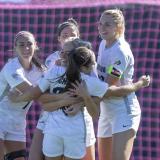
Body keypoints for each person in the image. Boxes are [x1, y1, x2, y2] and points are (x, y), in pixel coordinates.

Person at [8, 38, 150, 160]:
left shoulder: (58, 72)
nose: (62, 54)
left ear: (75, 54)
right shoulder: (82, 78)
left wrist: (18, 98)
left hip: (57, 130)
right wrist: (139, 84)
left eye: (66, 51)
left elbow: (39, 98)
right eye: (62, 50)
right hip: (70, 132)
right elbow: (111, 93)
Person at [28, 19, 97, 160]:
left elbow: (96, 92)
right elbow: (42, 96)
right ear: (59, 38)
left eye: (73, 34)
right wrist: (63, 100)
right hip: (51, 118)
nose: (69, 36)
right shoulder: (52, 60)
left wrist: (80, 103)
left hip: (80, 119)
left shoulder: (87, 58)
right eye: (65, 34)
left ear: (78, 36)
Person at [97, 9, 145, 160]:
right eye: (100, 24)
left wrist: (83, 96)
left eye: (107, 25)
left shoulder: (120, 51)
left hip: (123, 112)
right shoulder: (103, 44)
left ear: (118, 27)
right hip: (106, 110)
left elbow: (108, 88)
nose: (102, 28)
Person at [0, 31, 46, 160]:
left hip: (17, 123)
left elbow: (45, 93)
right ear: (15, 47)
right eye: (21, 45)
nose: (26, 48)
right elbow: (34, 94)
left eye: (29, 44)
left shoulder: (41, 70)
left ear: (35, 45)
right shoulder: (12, 68)